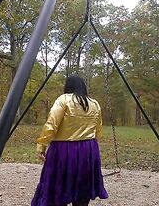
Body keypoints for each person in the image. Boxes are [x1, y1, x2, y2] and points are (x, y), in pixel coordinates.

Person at [31, 75, 109, 206]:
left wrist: (42, 145)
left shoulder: (63, 100)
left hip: (64, 149)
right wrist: (91, 146)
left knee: (59, 185)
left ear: (68, 86)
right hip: (88, 148)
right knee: (83, 185)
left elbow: (51, 124)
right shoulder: (94, 103)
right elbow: (98, 129)